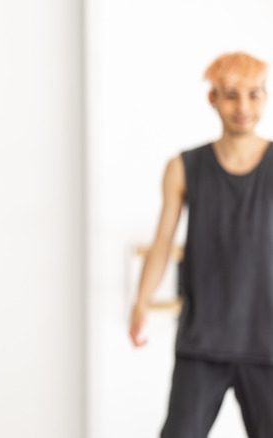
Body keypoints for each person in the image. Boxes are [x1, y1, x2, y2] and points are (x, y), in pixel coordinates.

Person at [129, 52, 273, 437]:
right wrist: (141, 301)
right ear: (213, 98)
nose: (243, 106)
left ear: (265, 96)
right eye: (231, 95)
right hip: (202, 339)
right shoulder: (183, 166)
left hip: (267, 342)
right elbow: (163, 242)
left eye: (254, 94)